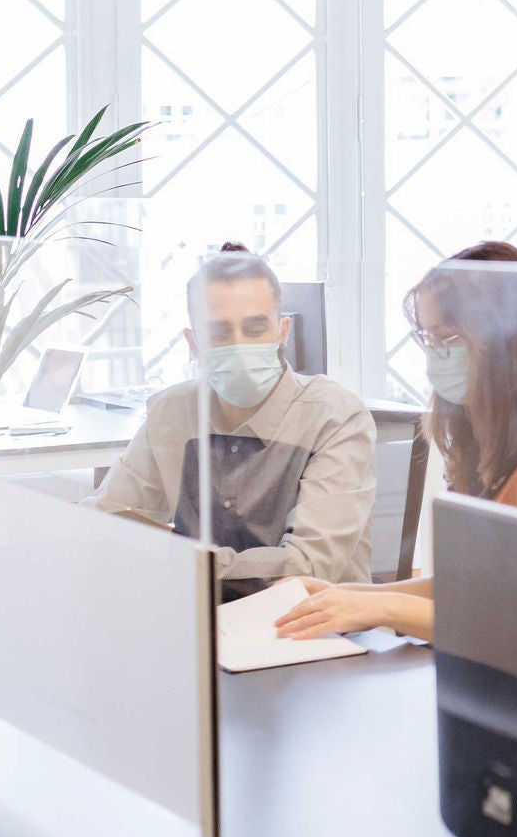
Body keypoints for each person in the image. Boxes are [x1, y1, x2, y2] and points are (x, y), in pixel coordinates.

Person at [274, 242, 517, 641]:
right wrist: (347, 596)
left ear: (506, 339)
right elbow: (473, 588)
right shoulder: (487, 433)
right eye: (428, 339)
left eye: (447, 339)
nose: (435, 355)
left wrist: (379, 607)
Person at [90, 243, 375, 596]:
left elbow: (307, 567)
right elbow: (106, 521)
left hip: (316, 627)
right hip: (199, 622)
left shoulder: (336, 416)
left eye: (255, 329)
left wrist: (180, 559)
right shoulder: (171, 412)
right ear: (193, 342)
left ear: (282, 332)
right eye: (219, 333)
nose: (239, 345)